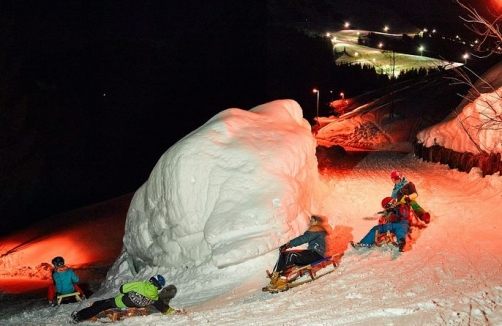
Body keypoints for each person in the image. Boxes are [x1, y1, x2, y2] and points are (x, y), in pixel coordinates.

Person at [71, 275, 177, 323]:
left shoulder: (141, 285)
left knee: (100, 305)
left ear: (151, 280)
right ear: (159, 287)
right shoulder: (155, 297)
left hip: (119, 302)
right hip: (132, 307)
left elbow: (122, 289)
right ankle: (87, 311)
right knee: (100, 303)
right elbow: (162, 307)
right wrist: (172, 311)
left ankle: (79, 316)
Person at [265, 215, 327, 291]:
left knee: (292, 255)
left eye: (311, 221)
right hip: (312, 253)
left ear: (316, 221)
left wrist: (289, 244)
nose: (310, 222)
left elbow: (304, 238)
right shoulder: (319, 230)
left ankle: (282, 279)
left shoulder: (317, 228)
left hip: (316, 254)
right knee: (285, 253)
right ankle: (277, 275)